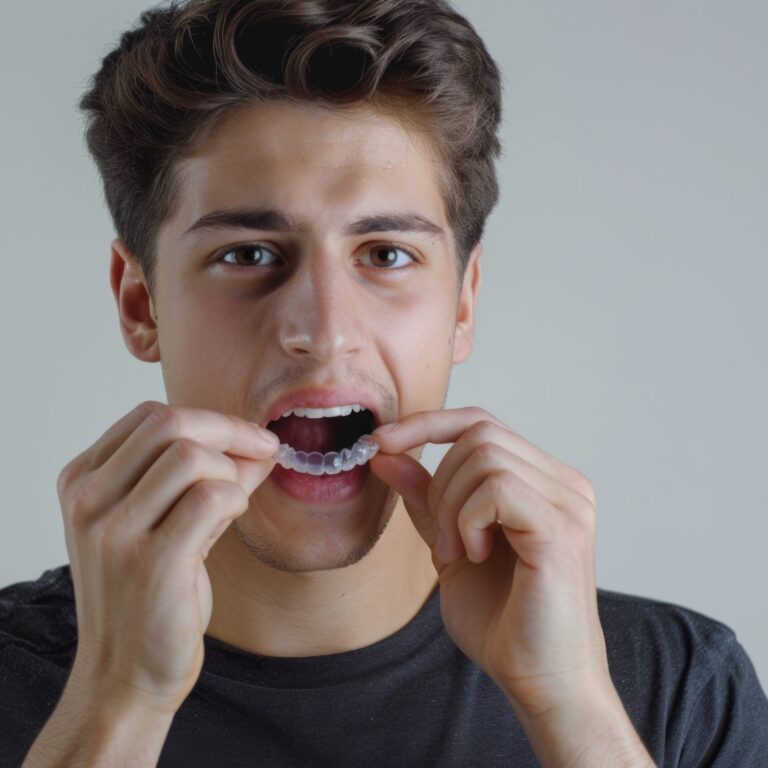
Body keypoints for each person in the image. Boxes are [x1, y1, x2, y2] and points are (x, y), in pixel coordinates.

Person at [2, 1, 767, 765]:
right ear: (141, 305)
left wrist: (566, 699)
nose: (326, 331)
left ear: (462, 305)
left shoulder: (681, 691)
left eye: (386, 255)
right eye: (248, 254)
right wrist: (117, 699)